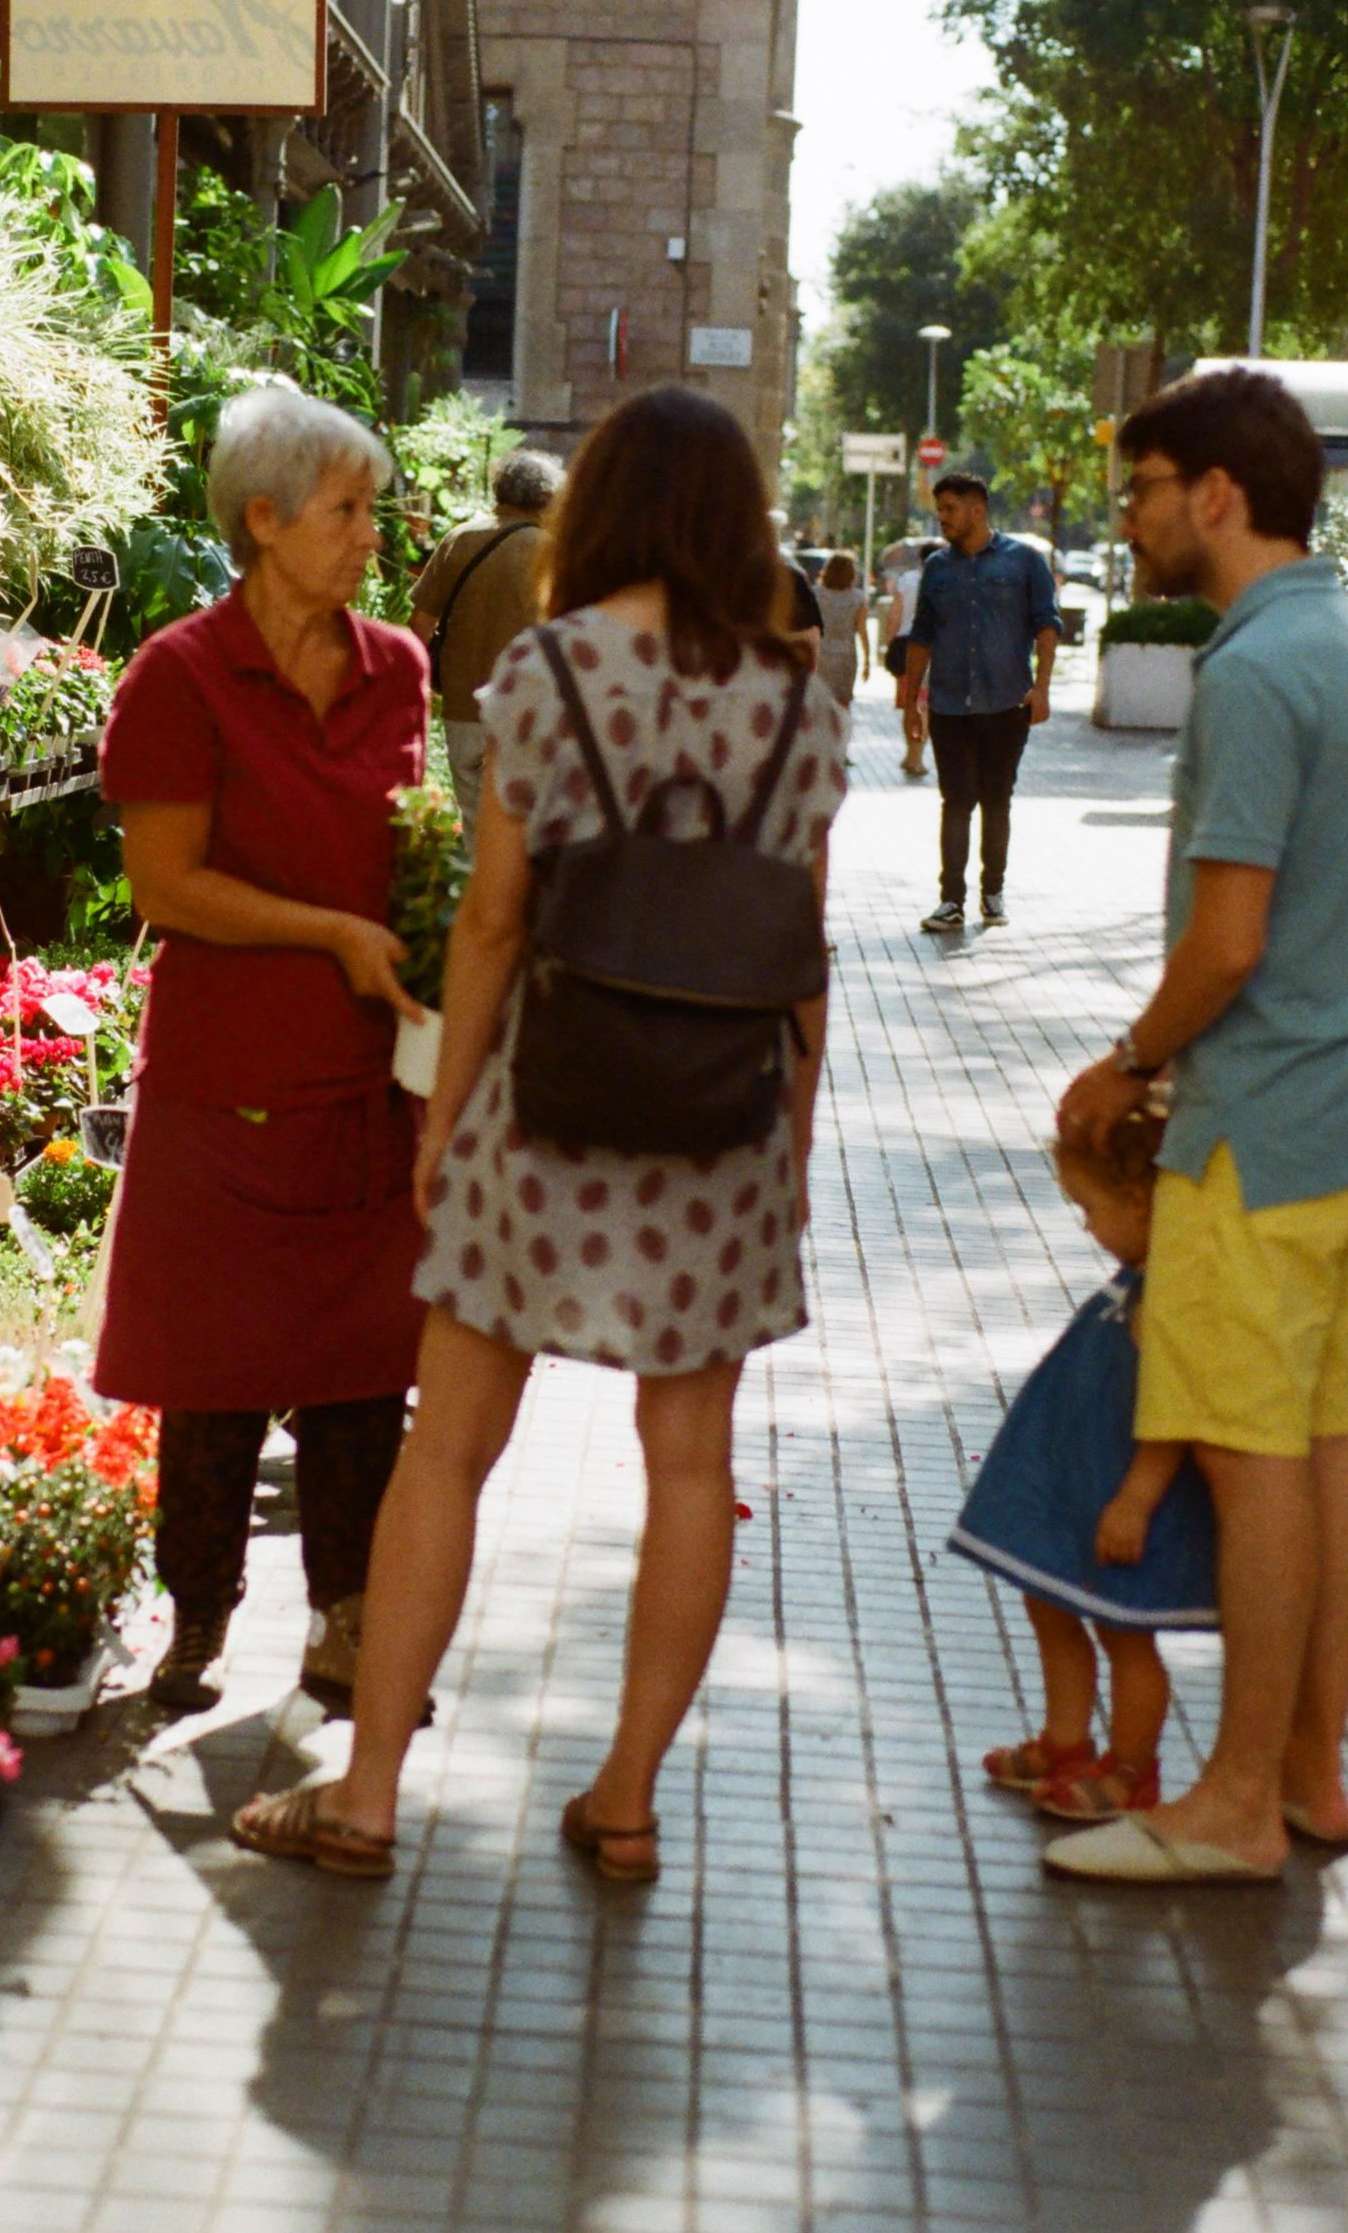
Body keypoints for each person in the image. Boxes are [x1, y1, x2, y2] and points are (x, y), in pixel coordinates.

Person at [228, 385, 847, 1880]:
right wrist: (798, 1148)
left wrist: (444, 1117)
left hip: (546, 1108)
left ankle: (367, 1796)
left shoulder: (552, 674)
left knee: (452, 1448)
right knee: (690, 1459)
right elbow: (802, 952)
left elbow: (495, 925)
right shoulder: (796, 701)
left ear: (607, 507)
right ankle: (625, 1799)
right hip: (723, 1126)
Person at [1050, 365, 1348, 1884]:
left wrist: (1124, 1065)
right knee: (1323, 1440)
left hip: (1259, 1133)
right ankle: (1306, 1777)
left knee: (1251, 1455)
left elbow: (1227, 942)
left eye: (1144, 489)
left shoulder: (1260, 671)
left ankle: (1231, 1806)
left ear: (1215, 491)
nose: (1131, 518)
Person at [95, 386, 430, 1717]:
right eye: (347, 512)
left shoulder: (399, 663)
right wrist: (336, 933)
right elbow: (166, 887)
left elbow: (420, 842)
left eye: (371, 509)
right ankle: (197, 1623)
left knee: (366, 1380)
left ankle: (349, 1625)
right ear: (264, 518)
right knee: (215, 1379)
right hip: (226, 1090)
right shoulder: (181, 674)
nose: (369, 536)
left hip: (365, 1086)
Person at [954, 1115, 1218, 1827]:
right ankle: (1066, 1740)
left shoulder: (1178, 1295)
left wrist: (1136, 1498)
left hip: (1123, 1492)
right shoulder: (1139, 1275)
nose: (1086, 1225)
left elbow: (1173, 1409)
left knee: (1126, 1632)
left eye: (1090, 1208)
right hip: (1083, 1480)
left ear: (1140, 1202)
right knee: (1050, 1598)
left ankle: (1133, 1767)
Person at [903, 473, 1061, 931]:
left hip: (1006, 702)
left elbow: (1046, 626)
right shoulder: (937, 568)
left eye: (950, 508)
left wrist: (1043, 688)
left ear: (977, 510)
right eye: (940, 510)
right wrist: (912, 700)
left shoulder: (1025, 562)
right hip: (950, 704)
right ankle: (950, 899)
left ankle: (993, 892)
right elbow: (922, 637)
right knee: (955, 800)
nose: (943, 518)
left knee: (996, 800)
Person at [410, 448, 566, 825]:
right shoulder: (552, 553)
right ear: (547, 497)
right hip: (526, 707)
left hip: (463, 707)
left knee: (473, 821)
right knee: (522, 826)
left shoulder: (458, 539)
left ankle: (472, 880)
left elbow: (420, 625)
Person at [879, 539, 930, 776]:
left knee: (910, 702)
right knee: (926, 705)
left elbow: (895, 615)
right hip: (932, 648)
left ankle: (910, 752)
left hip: (905, 646)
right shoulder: (948, 581)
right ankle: (917, 757)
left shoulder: (907, 580)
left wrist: (889, 644)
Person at [813, 549, 870, 709]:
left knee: (819, 703)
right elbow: (862, 631)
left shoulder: (815, 595)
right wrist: (867, 661)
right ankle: (841, 733)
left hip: (820, 654)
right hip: (846, 655)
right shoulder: (858, 598)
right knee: (843, 704)